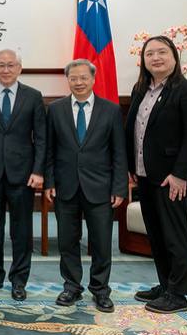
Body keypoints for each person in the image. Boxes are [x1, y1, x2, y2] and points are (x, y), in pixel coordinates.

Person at [126, 35, 187, 314]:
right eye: (150, 54)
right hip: (146, 176)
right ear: (143, 60)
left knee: (175, 236)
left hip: (173, 179)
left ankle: (179, 294)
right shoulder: (141, 90)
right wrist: (130, 168)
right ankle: (166, 284)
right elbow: (133, 131)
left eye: (162, 52)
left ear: (174, 57)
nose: (156, 58)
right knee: (157, 234)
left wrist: (180, 174)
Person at [45, 59, 127, 313]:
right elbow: (49, 149)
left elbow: (119, 153)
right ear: (67, 80)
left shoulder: (111, 110)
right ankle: (71, 287)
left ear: (93, 79)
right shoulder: (56, 109)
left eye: (83, 78)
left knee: (102, 242)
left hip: (100, 187)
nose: (78, 82)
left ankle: (101, 290)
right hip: (65, 186)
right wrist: (49, 182)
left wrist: (119, 188)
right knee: (68, 241)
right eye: (73, 78)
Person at [0, 49, 45, 301]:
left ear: (19, 67)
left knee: (21, 230)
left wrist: (38, 171)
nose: (5, 70)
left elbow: (41, 138)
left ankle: (19, 281)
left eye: (10, 65)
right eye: (1, 65)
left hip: (23, 174)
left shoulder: (33, 96)